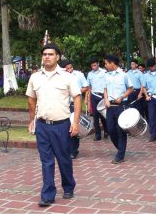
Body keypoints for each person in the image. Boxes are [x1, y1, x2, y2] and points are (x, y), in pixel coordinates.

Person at [26, 43, 81, 206]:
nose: (47, 57)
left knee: (64, 158)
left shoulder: (67, 77)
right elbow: (31, 99)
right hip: (42, 125)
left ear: (58, 57)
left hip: (62, 125)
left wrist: (75, 122)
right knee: (46, 160)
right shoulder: (35, 77)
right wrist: (32, 120)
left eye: (50, 54)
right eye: (44, 54)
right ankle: (48, 194)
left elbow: (77, 98)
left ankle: (68, 186)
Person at [103, 54, 133, 164]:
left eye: (106, 63)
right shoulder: (106, 75)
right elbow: (105, 89)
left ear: (112, 63)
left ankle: (120, 154)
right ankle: (120, 149)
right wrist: (105, 99)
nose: (105, 65)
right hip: (110, 107)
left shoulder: (124, 75)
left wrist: (122, 97)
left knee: (121, 131)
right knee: (111, 130)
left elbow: (130, 88)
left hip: (121, 106)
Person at [59, 59, 89, 159]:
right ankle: (65, 148)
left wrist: (75, 91)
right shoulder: (59, 76)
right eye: (67, 68)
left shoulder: (79, 75)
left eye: (71, 67)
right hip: (63, 104)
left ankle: (74, 150)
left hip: (74, 104)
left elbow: (86, 87)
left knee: (74, 125)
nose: (70, 70)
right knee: (63, 127)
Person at [86, 57, 108, 141]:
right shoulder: (90, 74)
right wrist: (87, 98)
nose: (93, 67)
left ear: (98, 64)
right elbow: (88, 86)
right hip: (94, 96)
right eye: (92, 66)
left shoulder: (104, 72)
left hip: (102, 96)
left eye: (95, 65)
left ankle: (106, 131)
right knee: (95, 116)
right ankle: (97, 134)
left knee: (103, 115)